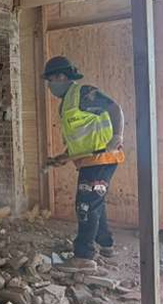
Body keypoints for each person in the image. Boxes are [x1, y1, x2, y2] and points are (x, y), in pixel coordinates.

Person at [43, 56, 126, 273]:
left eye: (50, 80)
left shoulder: (83, 93)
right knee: (95, 202)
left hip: (102, 158)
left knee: (85, 205)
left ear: (61, 77)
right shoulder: (67, 103)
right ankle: (105, 244)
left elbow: (114, 108)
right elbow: (81, 139)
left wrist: (117, 136)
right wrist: (64, 157)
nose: (49, 86)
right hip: (90, 160)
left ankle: (84, 256)